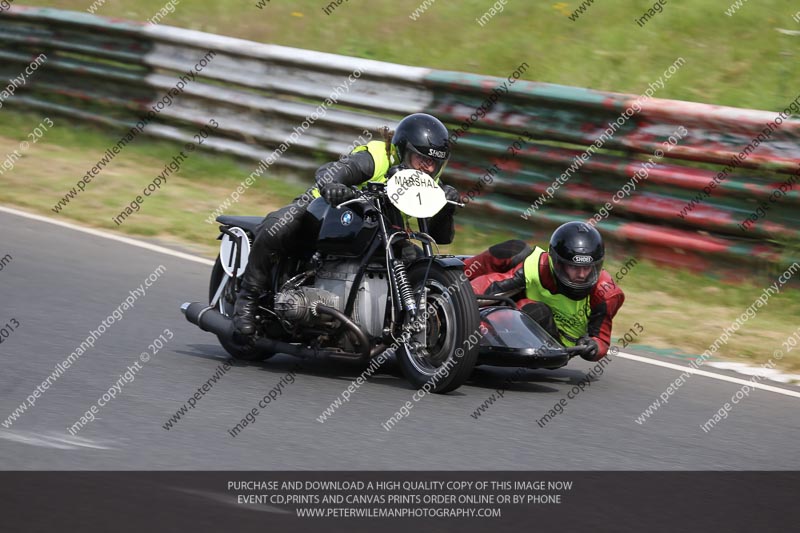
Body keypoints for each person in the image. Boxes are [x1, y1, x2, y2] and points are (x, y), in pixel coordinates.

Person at [233, 113, 460, 335]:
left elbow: (440, 237)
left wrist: (446, 209)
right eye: (422, 159)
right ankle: (247, 299)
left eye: (434, 162)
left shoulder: (429, 181)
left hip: (381, 230)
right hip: (325, 210)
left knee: (421, 262)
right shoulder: (376, 157)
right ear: (401, 151)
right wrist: (332, 185)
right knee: (280, 224)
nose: (427, 168)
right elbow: (330, 171)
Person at [464, 221, 624, 361]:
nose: (582, 275)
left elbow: (601, 339)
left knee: (533, 310)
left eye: (587, 268)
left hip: (558, 345)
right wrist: (462, 296)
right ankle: (458, 273)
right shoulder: (538, 267)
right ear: (557, 263)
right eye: (574, 267)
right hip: (517, 310)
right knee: (515, 250)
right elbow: (494, 284)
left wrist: (592, 346)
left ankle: (476, 331)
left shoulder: (606, 292)